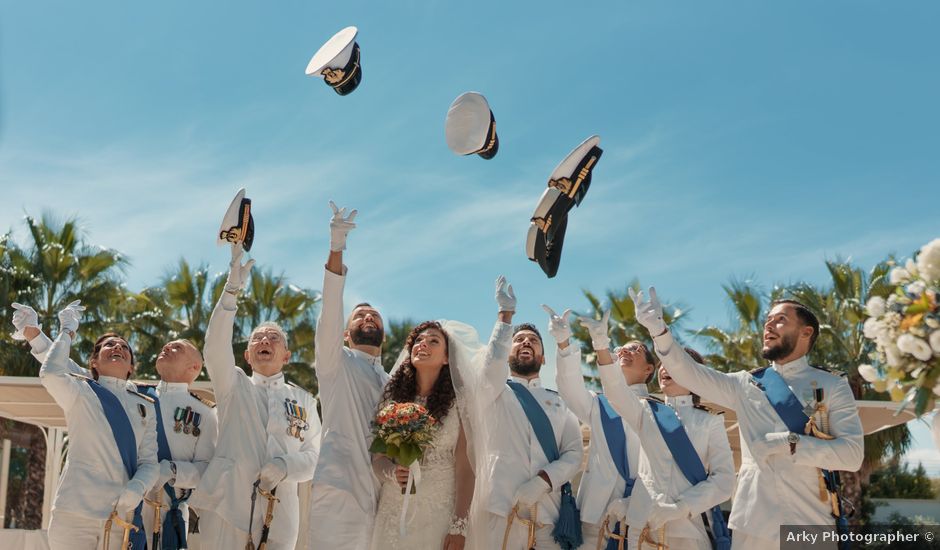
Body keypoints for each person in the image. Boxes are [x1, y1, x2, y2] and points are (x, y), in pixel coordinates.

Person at [630, 287, 864, 549]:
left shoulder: (831, 385)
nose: (769, 326)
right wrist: (659, 331)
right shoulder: (745, 384)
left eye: (780, 320)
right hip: (753, 524)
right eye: (767, 321)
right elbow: (689, 373)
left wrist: (789, 442)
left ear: (806, 332)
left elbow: (852, 455)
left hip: (810, 522)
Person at [12, 303, 220, 549]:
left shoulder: (204, 412)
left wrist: (170, 471)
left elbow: (207, 469)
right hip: (122, 509)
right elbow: (63, 371)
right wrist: (35, 335)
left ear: (194, 367)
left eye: (176, 347)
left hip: (165, 512)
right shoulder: (128, 394)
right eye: (111, 346)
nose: (166, 347)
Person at [192, 244, 321, 550]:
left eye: (273, 337)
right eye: (257, 339)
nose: (265, 340)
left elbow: (316, 456)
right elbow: (214, 346)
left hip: (280, 513)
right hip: (226, 506)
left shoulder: (304, 400)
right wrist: (231, 290)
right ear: (248, 356)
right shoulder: (234, 383)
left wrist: (286, 466)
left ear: (286, 355)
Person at [38, 302, 159, 549]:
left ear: (131, 368)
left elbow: (149, 463)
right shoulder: (80, 391)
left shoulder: (145, 406)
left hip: (119, 517)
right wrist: (67, 331)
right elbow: (51, 373)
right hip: (74, 513)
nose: (118, 347)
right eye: (109, 345)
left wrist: (137, 488)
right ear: (94, 362)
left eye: (125, 347)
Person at [307, 201, 390, 550]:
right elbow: (330, 309)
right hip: (339, 492)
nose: (368, 319)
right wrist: (336, 249)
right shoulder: (335, 362)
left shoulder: (394, 380)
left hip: (385, 498)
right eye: (360, 317)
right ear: (345, 333)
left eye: (374, 317)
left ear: (384, 333)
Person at [477, 276, 583, 549]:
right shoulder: (493, 390)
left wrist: (544, 481)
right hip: (499, 510)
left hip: (548, 514)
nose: (526, 343)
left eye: (533, 340)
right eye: (519, 340)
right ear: (508, 351)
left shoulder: (559, 402)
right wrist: (505, 318)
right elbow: (492, 367)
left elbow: (573, 453)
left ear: (543, 357)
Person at [547, 307, 652, 550]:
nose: (626, 350)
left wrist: (635, 503)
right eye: (621, 348)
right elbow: (570, 388)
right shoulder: (598, 404)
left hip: (642, 517)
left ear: (649, 369)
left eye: (635, 348)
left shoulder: (661, 411)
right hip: (594, 517)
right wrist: (563, 343)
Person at [370, 321, 476, 550]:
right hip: (394, 509)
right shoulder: (391, 399)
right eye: (418, 340)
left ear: (447, 358)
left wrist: (459, 526)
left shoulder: (460, 402)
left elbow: (466, 469)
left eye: (433, 341)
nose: (423, 344)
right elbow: (378, 460)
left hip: (438, 513)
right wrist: (392, 473)